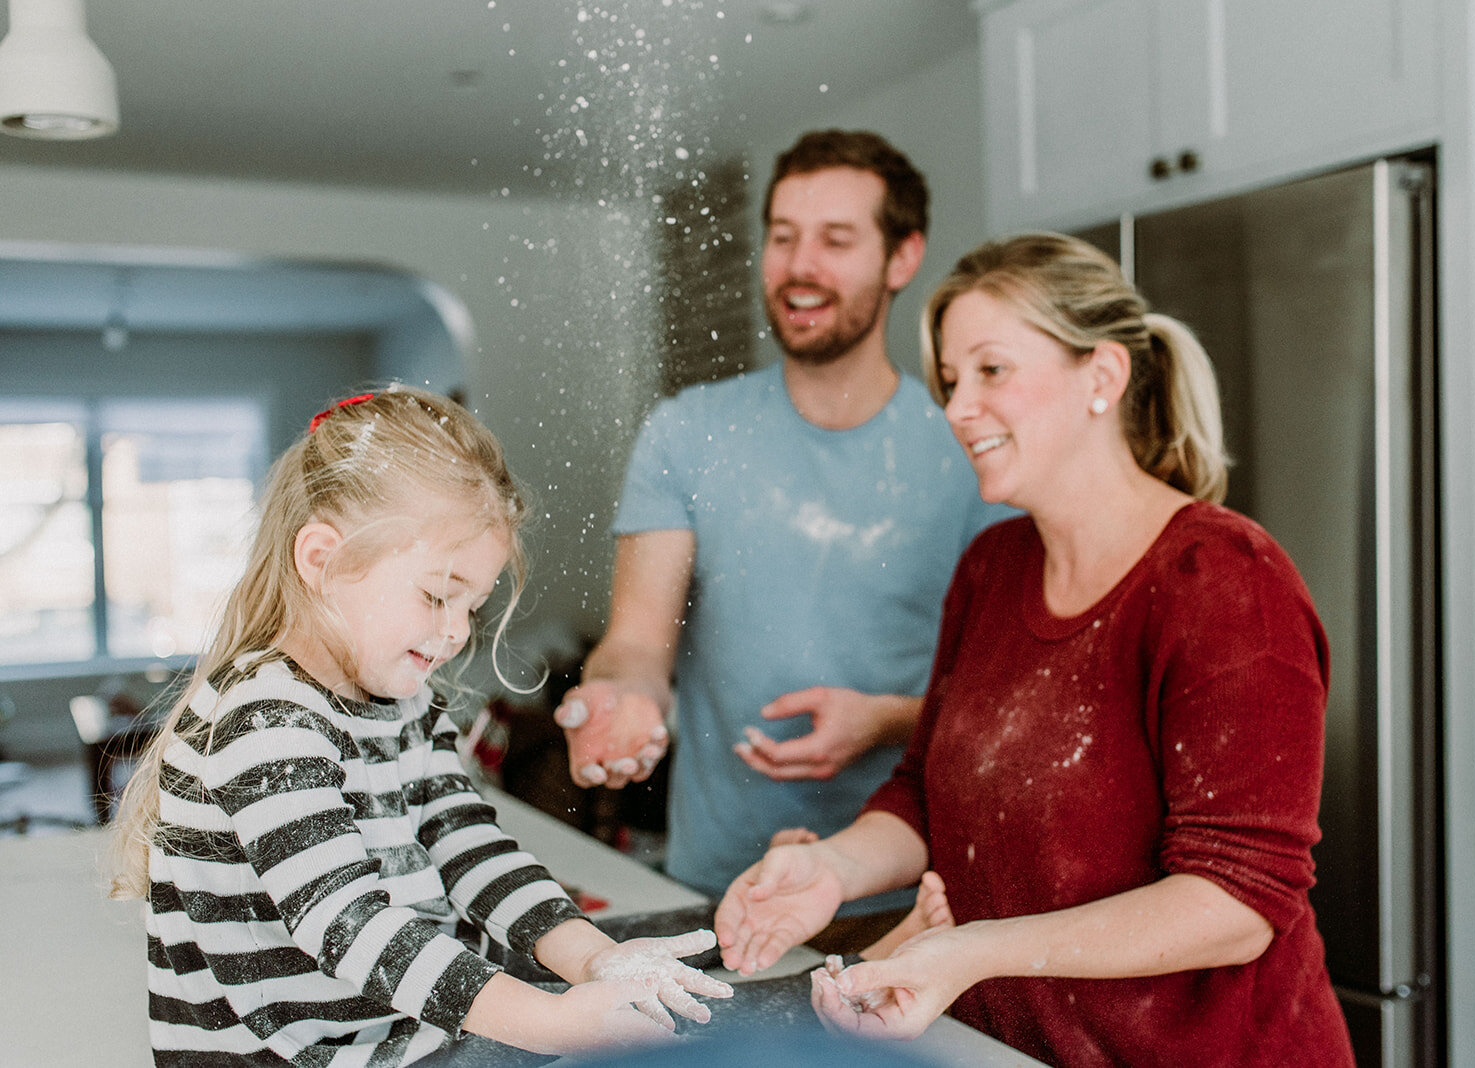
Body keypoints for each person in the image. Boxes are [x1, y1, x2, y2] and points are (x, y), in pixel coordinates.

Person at [715, 233, 1358, 1067]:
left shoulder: (1226, 583)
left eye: (992, 370)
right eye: (950, 380)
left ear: (1103, 377)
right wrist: (832, 870)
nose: (957, 407)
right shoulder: (994, 567)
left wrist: (975, 950)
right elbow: (926, 793)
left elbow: (1237, 903)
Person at [109, 386, 731, 1067]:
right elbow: (348, 924)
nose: (458, 631)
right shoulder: (267, 721)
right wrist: (554, 1024)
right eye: (438, 594)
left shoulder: (406, 705)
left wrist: (594, 959)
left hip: (393, 1037)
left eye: (472, 604)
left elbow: (470, 847)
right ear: (321, 559)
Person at [553, 129, 1008, 948]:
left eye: (836, 241)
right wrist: (618, 700)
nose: (801, 266)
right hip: (716, 891)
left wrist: (886, 721)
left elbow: (1008, 696)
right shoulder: (686, 432)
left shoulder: (974, 450)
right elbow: (636, 646)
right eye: (784, 235)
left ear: (902, 259)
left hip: (911, 904)